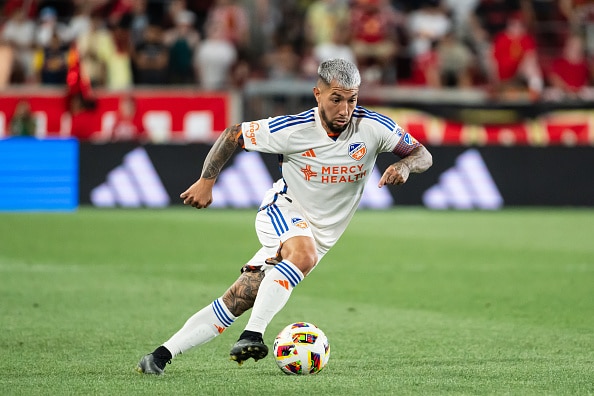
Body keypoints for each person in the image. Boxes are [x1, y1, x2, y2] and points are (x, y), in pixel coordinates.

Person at [136, 58, 433, 375]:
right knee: (302, 252)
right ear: (317, 94)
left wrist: (404, 165)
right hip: (283, 209)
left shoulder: (374, 127)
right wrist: (207, 181)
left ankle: (158, 357)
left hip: (320, 237)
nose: (345, 109)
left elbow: (422, 154)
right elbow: (234, 133)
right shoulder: (294, 129)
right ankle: (252, 335)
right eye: (336, 99)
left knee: (239, 298)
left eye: (352, 99)